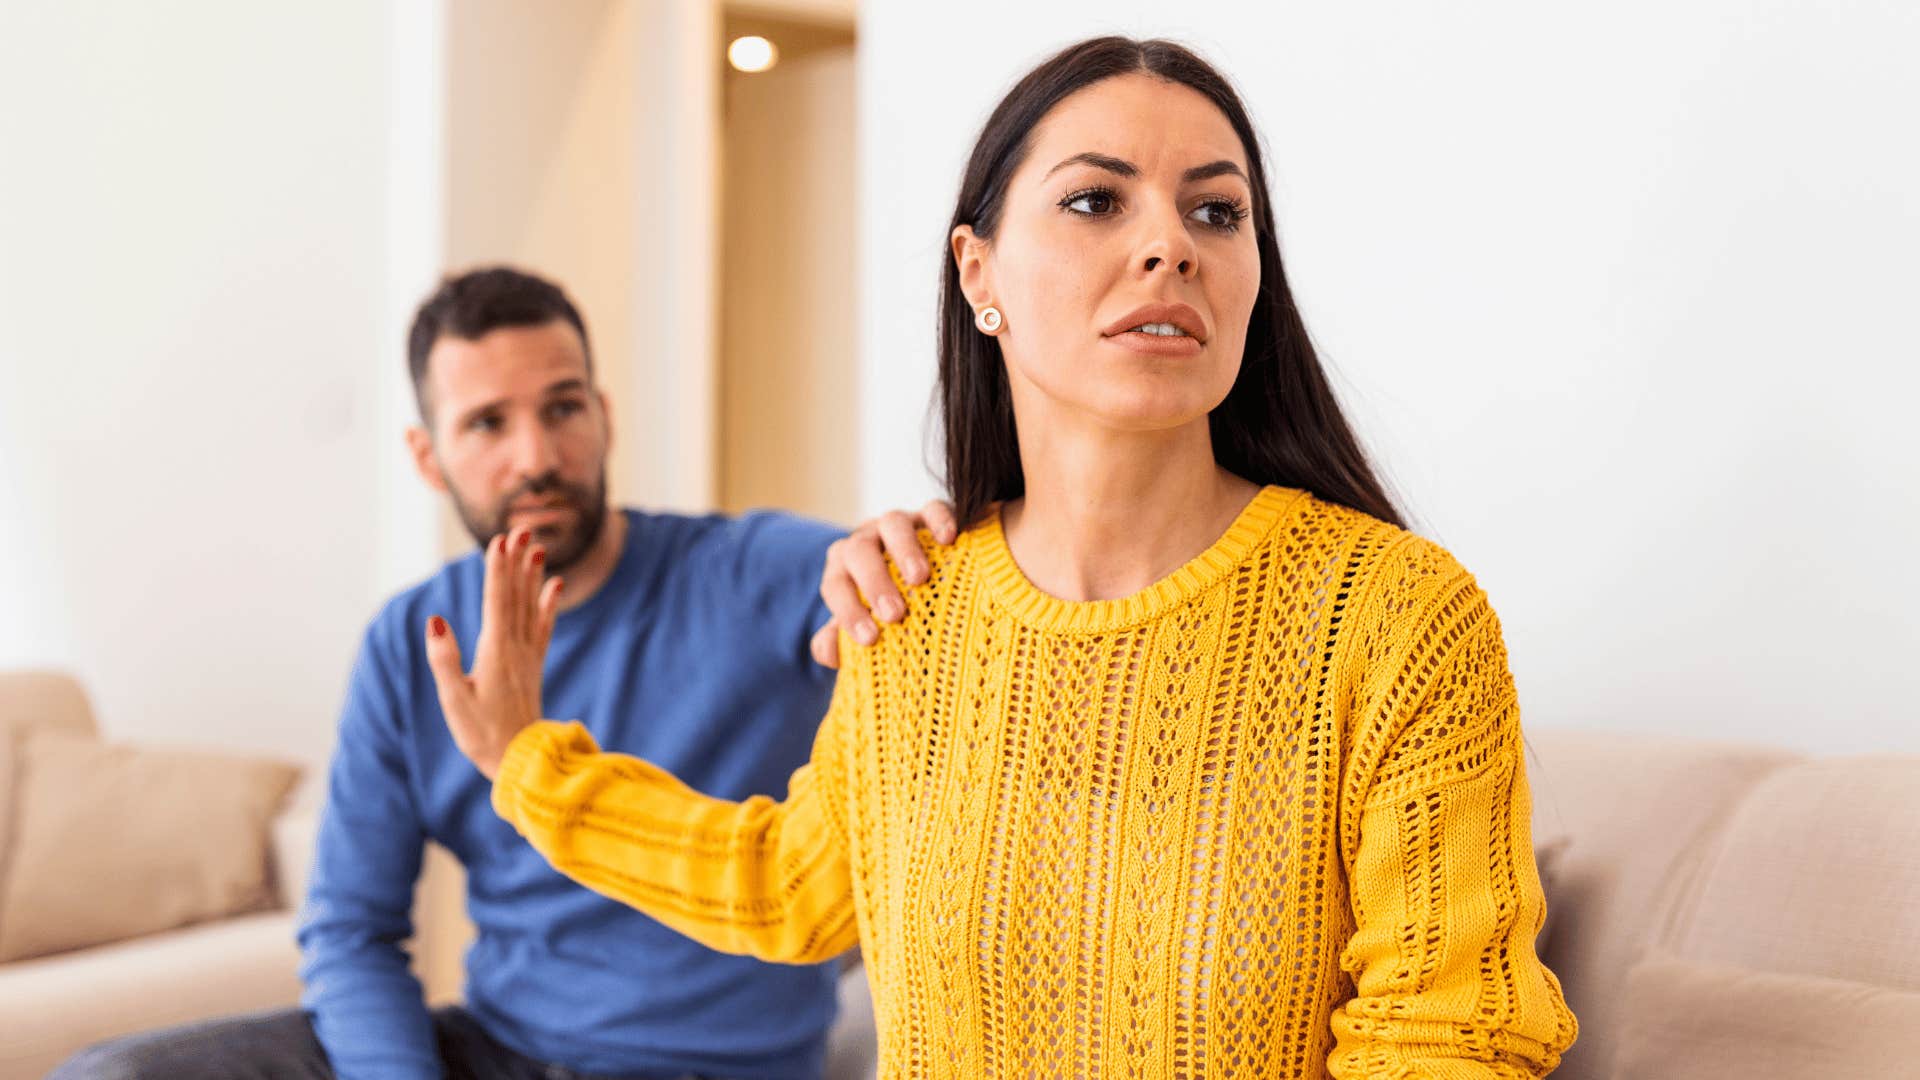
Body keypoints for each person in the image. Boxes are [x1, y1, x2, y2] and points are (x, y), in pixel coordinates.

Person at [431, 38, 1579, 1079]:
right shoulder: (914, 613)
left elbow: (1450, 1037)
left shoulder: (1397, 618)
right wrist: (528, 764)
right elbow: (784, 885)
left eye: (1217, 214)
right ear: (979, 276)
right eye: (1095, 200)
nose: (1169, 246)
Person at [51, 267, 950, 1080]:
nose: (535, 456)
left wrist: (898, 562)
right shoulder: (413, 643)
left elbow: (884, 592)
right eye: (487, 423)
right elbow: (352, 931)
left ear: (603, 414)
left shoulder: (753, 571)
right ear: (426, 454)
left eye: (562, 408)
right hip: (499, 1050)